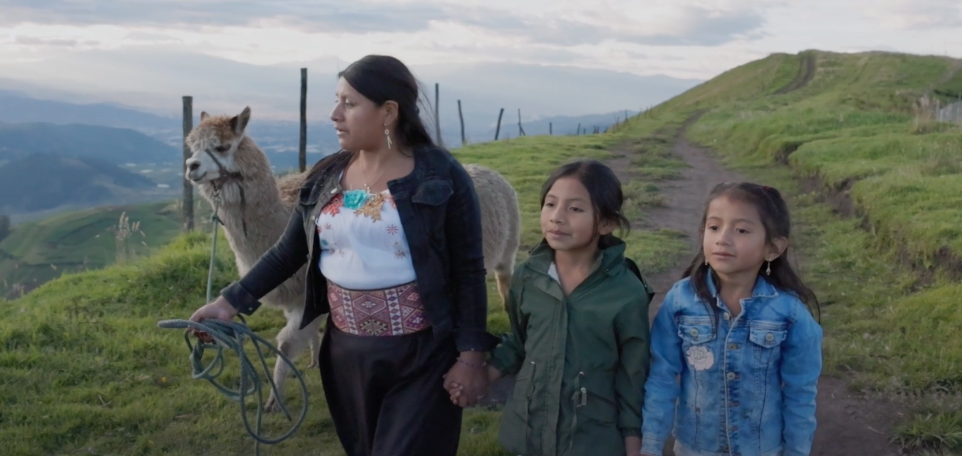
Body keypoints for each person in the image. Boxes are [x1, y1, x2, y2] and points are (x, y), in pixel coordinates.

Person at [187, 54, 498, 456]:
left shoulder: (441, 175)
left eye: (349, 104)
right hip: (347, 355)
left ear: (388, 112)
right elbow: (288, 253)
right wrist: (229, 303)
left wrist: (472, 357)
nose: (335, 114)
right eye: (337, 100)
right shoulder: (327, 175)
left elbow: (469, 270)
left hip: (421, 355)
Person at [449, 159, 654, 456]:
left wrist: (633, 442)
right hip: (531, 429)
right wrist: (480, 377)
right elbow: (518, 344)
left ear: (607, 223)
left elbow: (633, 374)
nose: (557, 217)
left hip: (593, 437)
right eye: (550, 204)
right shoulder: (529, 276)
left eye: (575, 209)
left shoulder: (626, 293)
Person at [640, 182, 823, 456]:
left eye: (741, 230)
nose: (722, 238)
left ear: (772, 248)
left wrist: (797, 451)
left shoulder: (790, 313)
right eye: (714, 227)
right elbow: (661, 378)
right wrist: (650, 446)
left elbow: (800, 393)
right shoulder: (680, 301)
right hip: (694, 448)